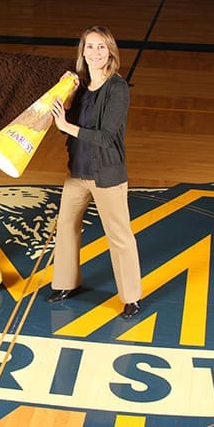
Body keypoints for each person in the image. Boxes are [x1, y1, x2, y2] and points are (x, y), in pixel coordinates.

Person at [47, 25, 142, 319]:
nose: (96, 52)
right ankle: (66, 284)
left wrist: (68, 127)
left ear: (110, 51)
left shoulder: (117, 88)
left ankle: (131, 297)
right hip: (77, 173)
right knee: (65, 228)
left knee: (119, 236)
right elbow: (64, 121)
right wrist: (66, 92)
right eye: (90, 46)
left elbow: (106, 136)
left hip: (107, 176)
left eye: (102, 47)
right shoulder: (82, 87)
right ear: (83, 51)